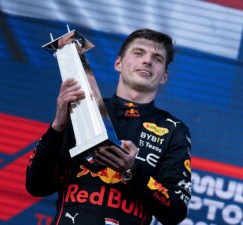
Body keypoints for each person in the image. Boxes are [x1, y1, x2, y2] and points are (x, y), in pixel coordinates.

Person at [26, 28, 192, 225]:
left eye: (157, 58)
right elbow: (36, 186)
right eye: (138, 53)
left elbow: (176, 212)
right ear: (118, 63)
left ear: (164, 76)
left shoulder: (174, 130)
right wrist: (57, 126)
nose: (147, 60)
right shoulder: (80, 108)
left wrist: (132, 171)